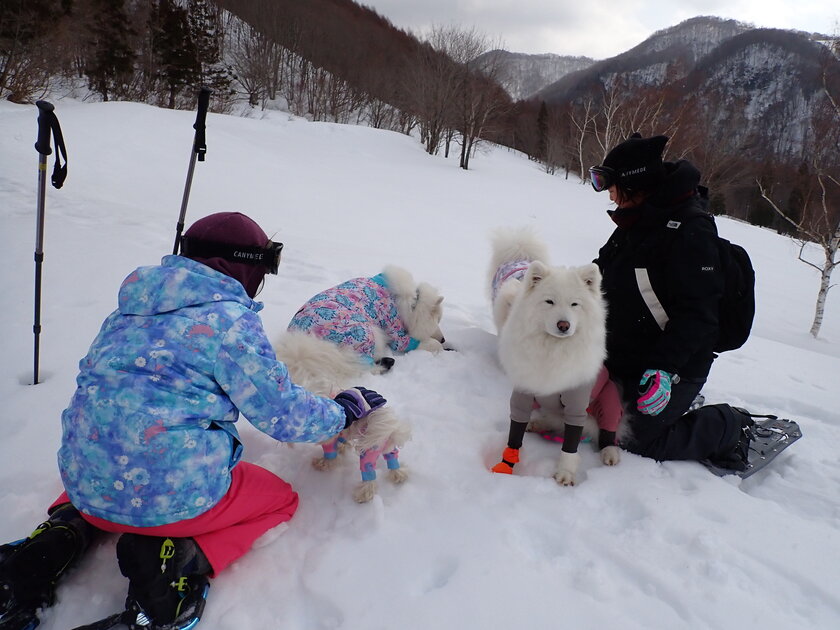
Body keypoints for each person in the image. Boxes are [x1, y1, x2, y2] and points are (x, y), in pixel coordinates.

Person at [0, 212, 387, 630]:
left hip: (83, 484)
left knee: (110, 451)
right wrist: (342, 411)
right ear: (245, 266)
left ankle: (62, 534)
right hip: (172, 500)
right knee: (280, 500)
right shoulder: (230, 323)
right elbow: (284, 416)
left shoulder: (130, 309)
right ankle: (177, 563)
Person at [589, 133, 754, 468]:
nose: (606, 192)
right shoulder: (635, 218)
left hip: (675, 364)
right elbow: (603, 269)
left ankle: (728, 426)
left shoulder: (692, 234)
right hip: (624, 352)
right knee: (584, 414)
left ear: (635, 185)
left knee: (630, 440)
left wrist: (665, 369)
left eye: (609, 182)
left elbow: (699, 317)